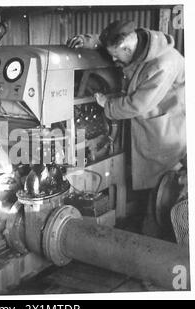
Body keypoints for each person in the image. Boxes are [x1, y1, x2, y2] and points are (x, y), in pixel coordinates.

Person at [68, 21, 186, 236]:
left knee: (160, 184)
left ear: (127, 48)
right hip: (149, 118)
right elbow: (109, 40)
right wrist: (88, 41)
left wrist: (107, 104)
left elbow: (137, 105)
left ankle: (152, 239)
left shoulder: (162, 64)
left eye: (116, 56)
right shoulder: (138, 41)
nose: (113, 60)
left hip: (164, 126)